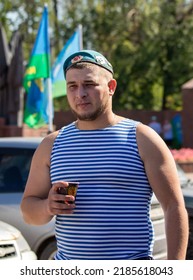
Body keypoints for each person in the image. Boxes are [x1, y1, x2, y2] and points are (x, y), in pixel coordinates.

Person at [20, 50, 188, 260]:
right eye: (72, 86)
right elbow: (28, 211)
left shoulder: (142, 138)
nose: (80, 94)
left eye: (89, 85)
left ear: (111, 87)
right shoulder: (51, 144)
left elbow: (174, 207)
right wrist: (47, 206)